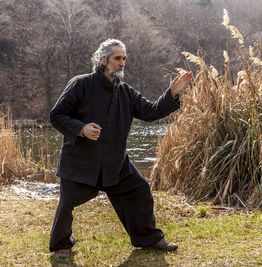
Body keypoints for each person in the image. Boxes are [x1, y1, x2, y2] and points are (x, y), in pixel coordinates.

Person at [49, 39, 193, 258]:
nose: (122, 63)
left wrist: (171, 93)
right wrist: (81, 128)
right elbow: (57, 115)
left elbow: (151, 112)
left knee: (140, 189)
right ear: (103, 60)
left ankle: (150, 238)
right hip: (81, 160)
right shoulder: (81, 84)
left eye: (124, 58)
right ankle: (61, 244)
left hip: (114, 162)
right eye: (117, 58)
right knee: (67, 202)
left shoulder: (125, 91)